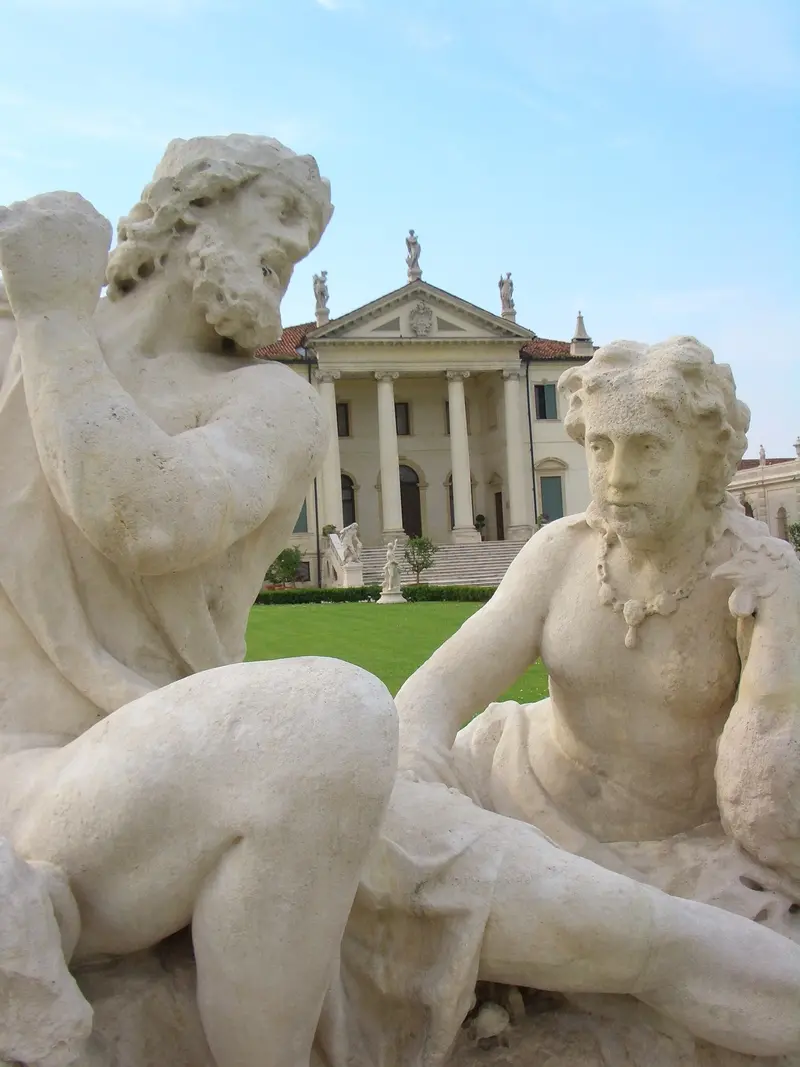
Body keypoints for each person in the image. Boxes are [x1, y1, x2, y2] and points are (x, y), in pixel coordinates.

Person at [0, 135, 399, 1067]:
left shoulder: (271, 401)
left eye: (307, 241)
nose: (294, 249)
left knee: (328, 717)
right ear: (189, 210)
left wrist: (50, 315)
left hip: (105, 789)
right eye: (282, 214)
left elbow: (146, 516)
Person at [394, 336, 800, 933]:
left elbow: (768, 811)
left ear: (708, 457)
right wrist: (413, 771)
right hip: (510, 790)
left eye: (647, 448)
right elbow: (442, 685)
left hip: (678, 854)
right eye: (601, 447)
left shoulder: (757, 577)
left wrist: (779, 641)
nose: (618, 478)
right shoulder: (559, 552)